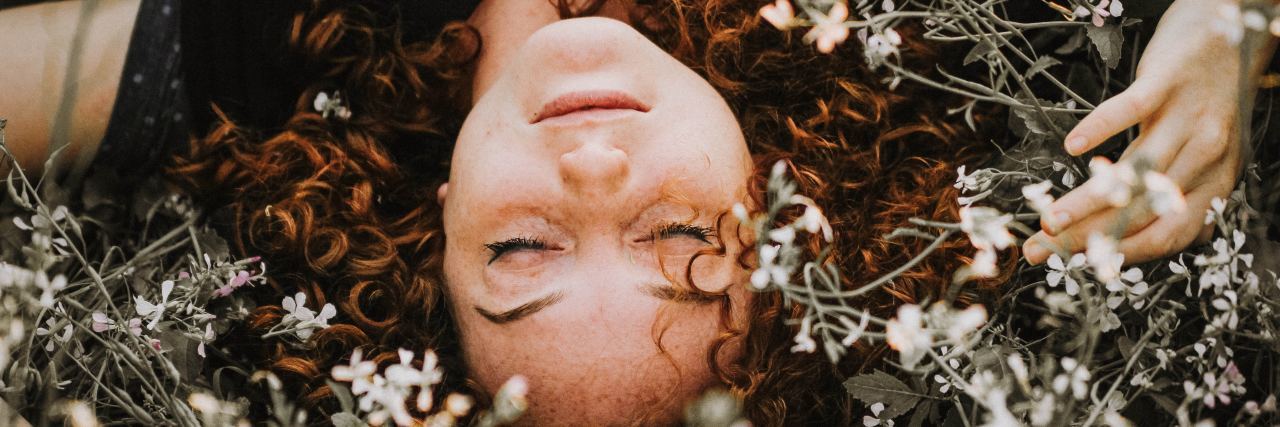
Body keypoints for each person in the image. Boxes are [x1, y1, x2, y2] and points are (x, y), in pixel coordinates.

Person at [0, 0, 1263, 424]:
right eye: (680, 245)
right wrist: (1232, 26)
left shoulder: (266, 57)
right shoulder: (918, 35)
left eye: (520, 249)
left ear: (437, 222)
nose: (594, 177)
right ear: (776, 212)